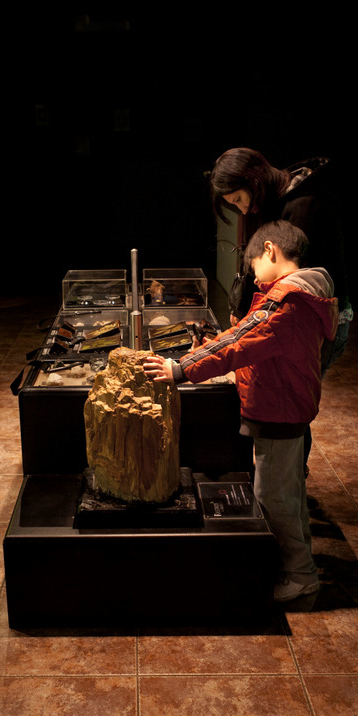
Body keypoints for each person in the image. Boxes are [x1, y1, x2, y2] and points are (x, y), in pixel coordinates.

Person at [144, 220, 338, 602]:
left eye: (253, 267)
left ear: (270, 250)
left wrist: (181, 368)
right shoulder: (305, 294)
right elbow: (244, 336)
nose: (254, 276)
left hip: (278, 410)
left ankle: (299, 576)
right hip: (287, 407)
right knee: (290, 493)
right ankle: (300, 563)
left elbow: (239, 343)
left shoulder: (287, 302)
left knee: (275, 497)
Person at [210, 147, 352, 371]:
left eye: (238, 199)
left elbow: (300, 288)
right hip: (289, 318)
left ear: (253, 180)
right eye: (233, 204)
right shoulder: (264, 201)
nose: (242, 210)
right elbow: (251, 258)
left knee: (295, 395)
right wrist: (241, 308)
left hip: (315, 321)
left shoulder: (306, 207)